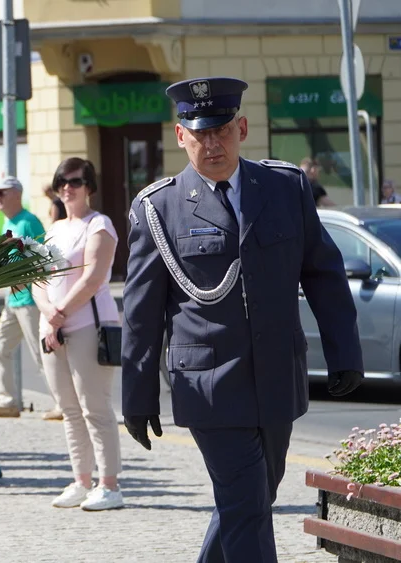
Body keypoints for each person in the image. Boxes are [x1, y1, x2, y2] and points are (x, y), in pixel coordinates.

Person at [122, 77, 364, 562]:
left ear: (243, 128)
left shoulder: (284, 186)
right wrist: (138, 395)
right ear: (180, 136)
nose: (213, 143)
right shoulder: (159, 208)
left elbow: (323, 272)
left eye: (223, 131)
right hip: (208, 384)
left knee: (249, 501)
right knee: (247, 506)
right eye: (201, 134)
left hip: (277, 377)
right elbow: (141, 311)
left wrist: (345, 353)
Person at [34, 157, 124, 511]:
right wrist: (49, 316)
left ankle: (110, 485)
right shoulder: (53, 229)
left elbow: (93, 277)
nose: (68, 188)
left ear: (89, 187)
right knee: (69, 410)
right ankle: (81, 480)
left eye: (75, 182)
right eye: (62, 182)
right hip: (54, 327)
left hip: (89, 324)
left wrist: (60, 314)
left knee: (95, 408)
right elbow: (36, 277)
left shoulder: (99, 225)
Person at [0, 176, 47, 419]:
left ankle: (63, 403)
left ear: (17, 195)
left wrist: (35, 287)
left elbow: (44, 257)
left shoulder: (29, 222)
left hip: (30, 299)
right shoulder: (8, 222)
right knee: (0, 349)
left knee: (42, 354)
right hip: (13, 298)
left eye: (2, 193)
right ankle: (6, 401)